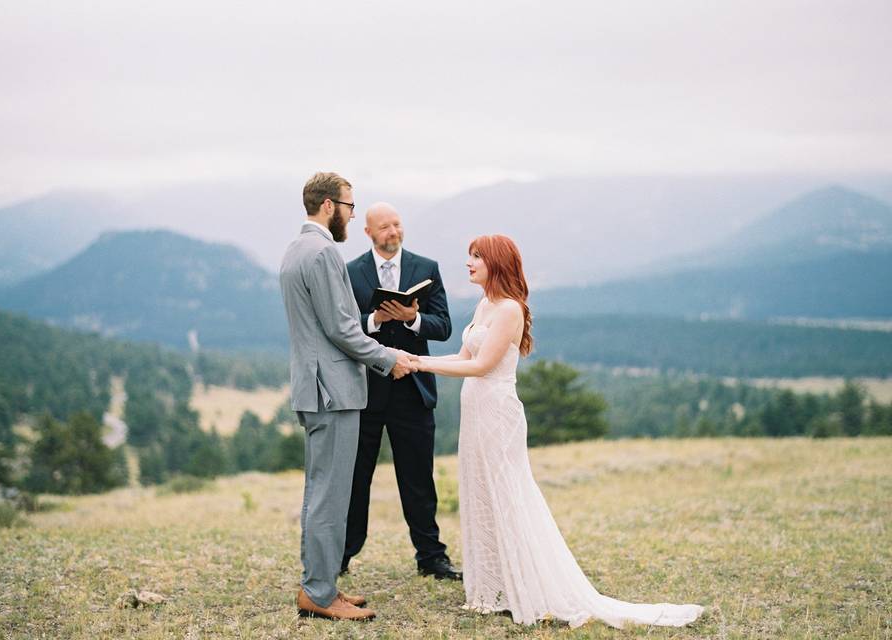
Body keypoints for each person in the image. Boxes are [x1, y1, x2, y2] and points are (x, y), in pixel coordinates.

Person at [414, 234, 705, 628]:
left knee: (508, 495)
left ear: (496, 262)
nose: (468, 263)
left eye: (477, 256)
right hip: (475, 412)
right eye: (469, 256)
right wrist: (418, 358)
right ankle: (491, 589)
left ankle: (525, 586)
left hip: (498, 413)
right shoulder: (484, 304)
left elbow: (482, 366)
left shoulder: (509, 310)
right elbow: (463, 356)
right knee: (480, 492)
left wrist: (419, 365)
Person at [279, 172, 416, 621]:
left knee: (321, 491)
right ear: (328, 206)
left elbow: (329, 325)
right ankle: (319, 595)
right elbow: (340, 329)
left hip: (314, 387)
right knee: (330, 496)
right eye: (349, 206)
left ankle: (320, 586)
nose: (351, 214)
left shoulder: (296, 248)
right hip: (333, 391)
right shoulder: (322, 253)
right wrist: (387, 358)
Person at [342, 202, 461, 580]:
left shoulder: (426, 268)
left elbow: (443, 326)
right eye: (384, 227)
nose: (393, 232)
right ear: (368, 233)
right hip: (365, 392)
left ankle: (431, 556)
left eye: (397, 225)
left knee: (418, 478)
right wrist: (375, 320)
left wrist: (413, 318)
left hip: (412, 389)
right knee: (356, 478)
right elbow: (343, 325)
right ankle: (342, 554)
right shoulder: (350, 272)